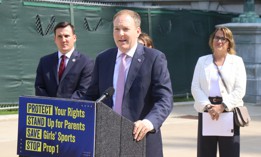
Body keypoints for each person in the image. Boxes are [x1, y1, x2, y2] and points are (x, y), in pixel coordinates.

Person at [85, 9, 173, 157]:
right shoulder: (103, 59)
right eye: (117, 29)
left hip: (141, 139)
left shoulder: (154, 58)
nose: (120, 34)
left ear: (138, 31)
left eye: (126, 29)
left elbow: (165, 99)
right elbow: (91, 96)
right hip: (107, 142)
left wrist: (149, 122)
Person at [191, 27, 247, 157]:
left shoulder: (237, 62)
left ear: (229, 43)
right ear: (212, 40)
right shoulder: (202, 61)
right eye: (217, 37)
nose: (219, 41)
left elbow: (240, 89)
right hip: (207, 112)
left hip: (228, 112)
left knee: (230, 153)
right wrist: (208, 106)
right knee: (205, 152)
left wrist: (222, 107)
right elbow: (195, 86)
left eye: (224, 38)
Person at [35, 21, 94, 99]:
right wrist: (51, 105)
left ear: (74, 38)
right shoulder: (45, 61)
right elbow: (39, 88)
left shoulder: (86, 63)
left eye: (66, 36)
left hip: (73, 109)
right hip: (49, 109)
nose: (63, 40)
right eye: (59, 36)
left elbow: (83, 91)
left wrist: (63, 107)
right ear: (55, 39)